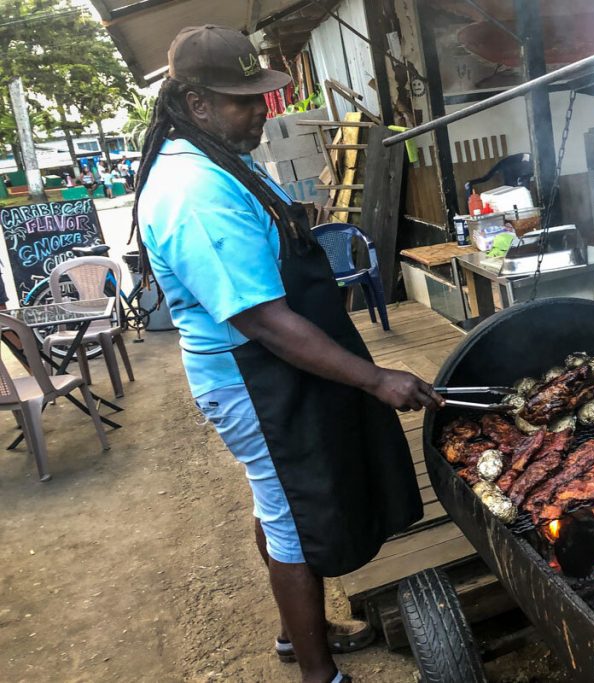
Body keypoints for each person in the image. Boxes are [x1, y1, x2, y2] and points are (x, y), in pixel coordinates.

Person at [132, 26, 443, 683]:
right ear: (197, 103)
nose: (262, 110)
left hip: (269, 368)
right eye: (244, 99)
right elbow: (267, 323)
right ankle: (317, 671)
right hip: (254, 377)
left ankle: (293, 632)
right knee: (292, 517)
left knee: (278, 501)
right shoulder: (192, 192)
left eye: (260, 94)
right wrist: (375, 377)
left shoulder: (215, 156)